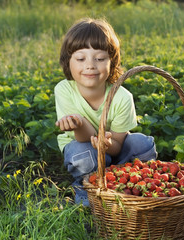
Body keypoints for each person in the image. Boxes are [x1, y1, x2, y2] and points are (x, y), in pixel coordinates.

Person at [55, 18, 157, 206]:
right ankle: (87, 185)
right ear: (67, 61)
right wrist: (79, 124)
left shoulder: (122, 97)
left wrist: (107, 145)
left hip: (114, 153)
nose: (90, 65)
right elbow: (82, 139)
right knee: (84, 153)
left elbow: (118, 144)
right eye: (80, 58)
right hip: (84, 150)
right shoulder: (64, 90)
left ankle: (128, 179)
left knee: (141, 143)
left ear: (112, 62)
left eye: (100, 59)